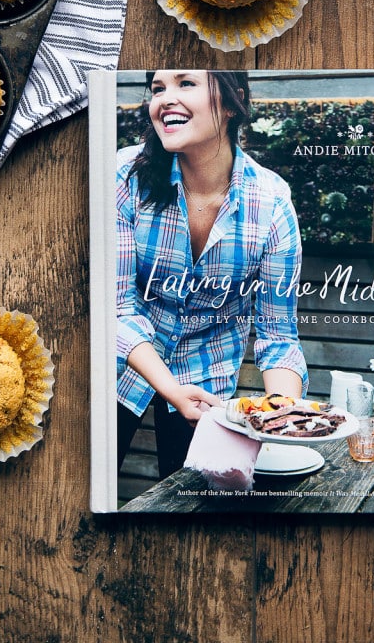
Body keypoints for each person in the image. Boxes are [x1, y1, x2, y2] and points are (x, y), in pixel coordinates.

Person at [116, 69, 308, 479]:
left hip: (206, 375)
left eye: (185, 83)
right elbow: (115, 308)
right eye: (157, 88)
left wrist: (280, 412)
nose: (165, 98)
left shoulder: (272, 202)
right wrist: (170, 389)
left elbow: (278, 335)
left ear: (231, 101)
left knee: (191, 502)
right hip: (120, 362)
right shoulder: (124, 176)